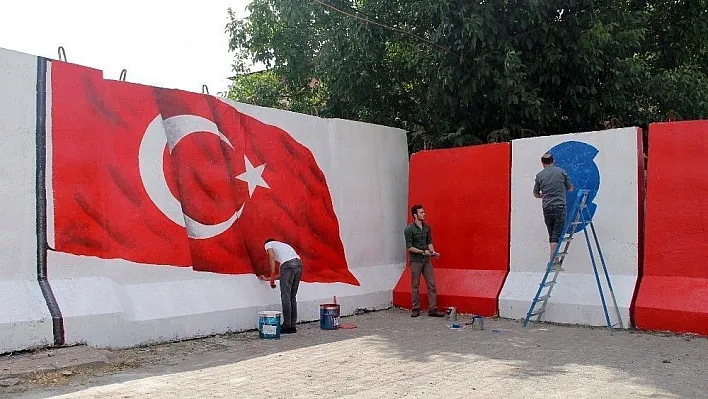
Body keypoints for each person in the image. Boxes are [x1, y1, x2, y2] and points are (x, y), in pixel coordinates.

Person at [404, 205, 446, 318]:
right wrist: (423, 252)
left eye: (424, 212)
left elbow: (429, 242)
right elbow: (409, 247)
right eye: (421, 212)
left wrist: (433, 252)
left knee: (431, 284)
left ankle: (432, 309)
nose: (424, 214)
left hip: (427, 260)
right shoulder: (409, 229)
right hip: (415, 261)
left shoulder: (427, 228)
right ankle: (415, 308)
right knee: (415, 285)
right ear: (415, 215)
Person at [533, 153, 574, 269]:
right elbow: (570, 188)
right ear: (553, 161)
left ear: (542, 163)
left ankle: (554, 260)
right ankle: (552, 262)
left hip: (547, 207)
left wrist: (543, 196)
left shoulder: (539, 176)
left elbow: (535, 194)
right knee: (556, 235)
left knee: (552, 234)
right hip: (559, 206)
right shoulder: (561, 172)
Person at [262, 239, 303, 334]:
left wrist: (272, 274)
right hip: (298, 264)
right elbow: (282, 276)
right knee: (292, 296)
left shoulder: (268, 244)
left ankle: (286, 326)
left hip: (288, 265)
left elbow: (271, 256)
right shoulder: (284, 249)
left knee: (285, 297)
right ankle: (292, 325)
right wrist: (268, 279)